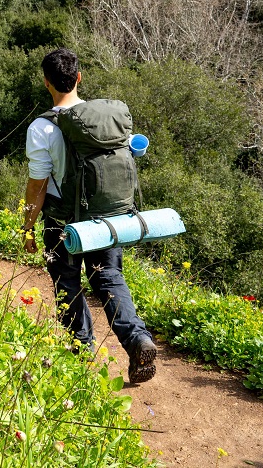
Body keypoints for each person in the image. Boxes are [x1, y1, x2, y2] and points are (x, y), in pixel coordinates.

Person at [21, 48, 157, 383]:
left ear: (46, 83)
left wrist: (26, 227)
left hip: (62, 221)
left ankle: (81, 356)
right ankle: (137, 339)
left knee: (68, 284)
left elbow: (37, 185)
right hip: (106, 217)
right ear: (79, 78)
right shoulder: (101, 119)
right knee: (109, 278)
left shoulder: (41, 127)